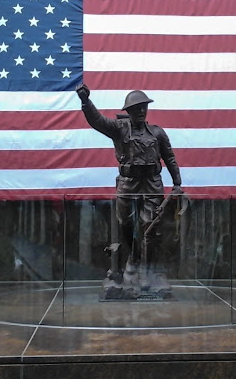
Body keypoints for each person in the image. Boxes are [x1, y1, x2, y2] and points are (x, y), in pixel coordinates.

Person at [76, 83, 182, 292]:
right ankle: (131, 258)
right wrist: (86, 102)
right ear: (129, 111)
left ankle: (146, 269)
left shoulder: (157, 133)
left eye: (144, 107)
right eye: (136, 108)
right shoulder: (119, 129)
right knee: (125, 223)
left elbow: (169, 157)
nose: (141, 111)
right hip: (128, 183)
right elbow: (97, 121)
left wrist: (177, 183)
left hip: (152, 184)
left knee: (149, 227)